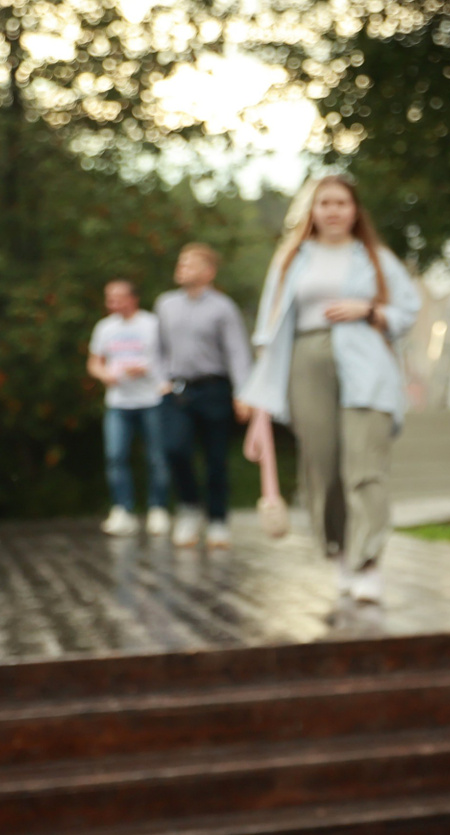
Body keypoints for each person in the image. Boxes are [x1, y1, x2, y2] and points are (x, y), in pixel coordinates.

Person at [242, 174, 419, 605]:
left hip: (366, 365)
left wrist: (370, 309)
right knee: (322, 466)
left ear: (355, 210)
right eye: (325, 203)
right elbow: (268, 328)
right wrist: (260, 396)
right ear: (313, 210)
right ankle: (340, 550)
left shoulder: (376, 257)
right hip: (306, 362)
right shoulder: (291, 259)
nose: (334, 210)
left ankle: (368, 561)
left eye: (342, 202)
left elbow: (408, 309)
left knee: (365, 467)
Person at [156, 243, 254, 549]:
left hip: (214, 389)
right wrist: (160, 380)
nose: (181, 267)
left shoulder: (223, 307)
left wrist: (243, 393)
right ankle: (188, 507)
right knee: (175, 449)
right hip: (177, 390)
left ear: (208, 272)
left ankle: (217, 520)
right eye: (181, 261)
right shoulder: (165, 304)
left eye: (190, 263)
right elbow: (157, 348)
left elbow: (237, 352)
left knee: (216, 458)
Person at [87, 279, 170, 539]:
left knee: (156, 457)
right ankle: (123, 510)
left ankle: (158, 509)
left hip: (151, 399)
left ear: (133, 298)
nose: (113, 303)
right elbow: (94, 362)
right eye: (109, 298)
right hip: (118, 402)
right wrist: (104, 374)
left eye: (118, 298)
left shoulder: (152, 324)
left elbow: (169, 356)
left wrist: (148, 370)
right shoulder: (105, 327)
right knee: (116, 456)